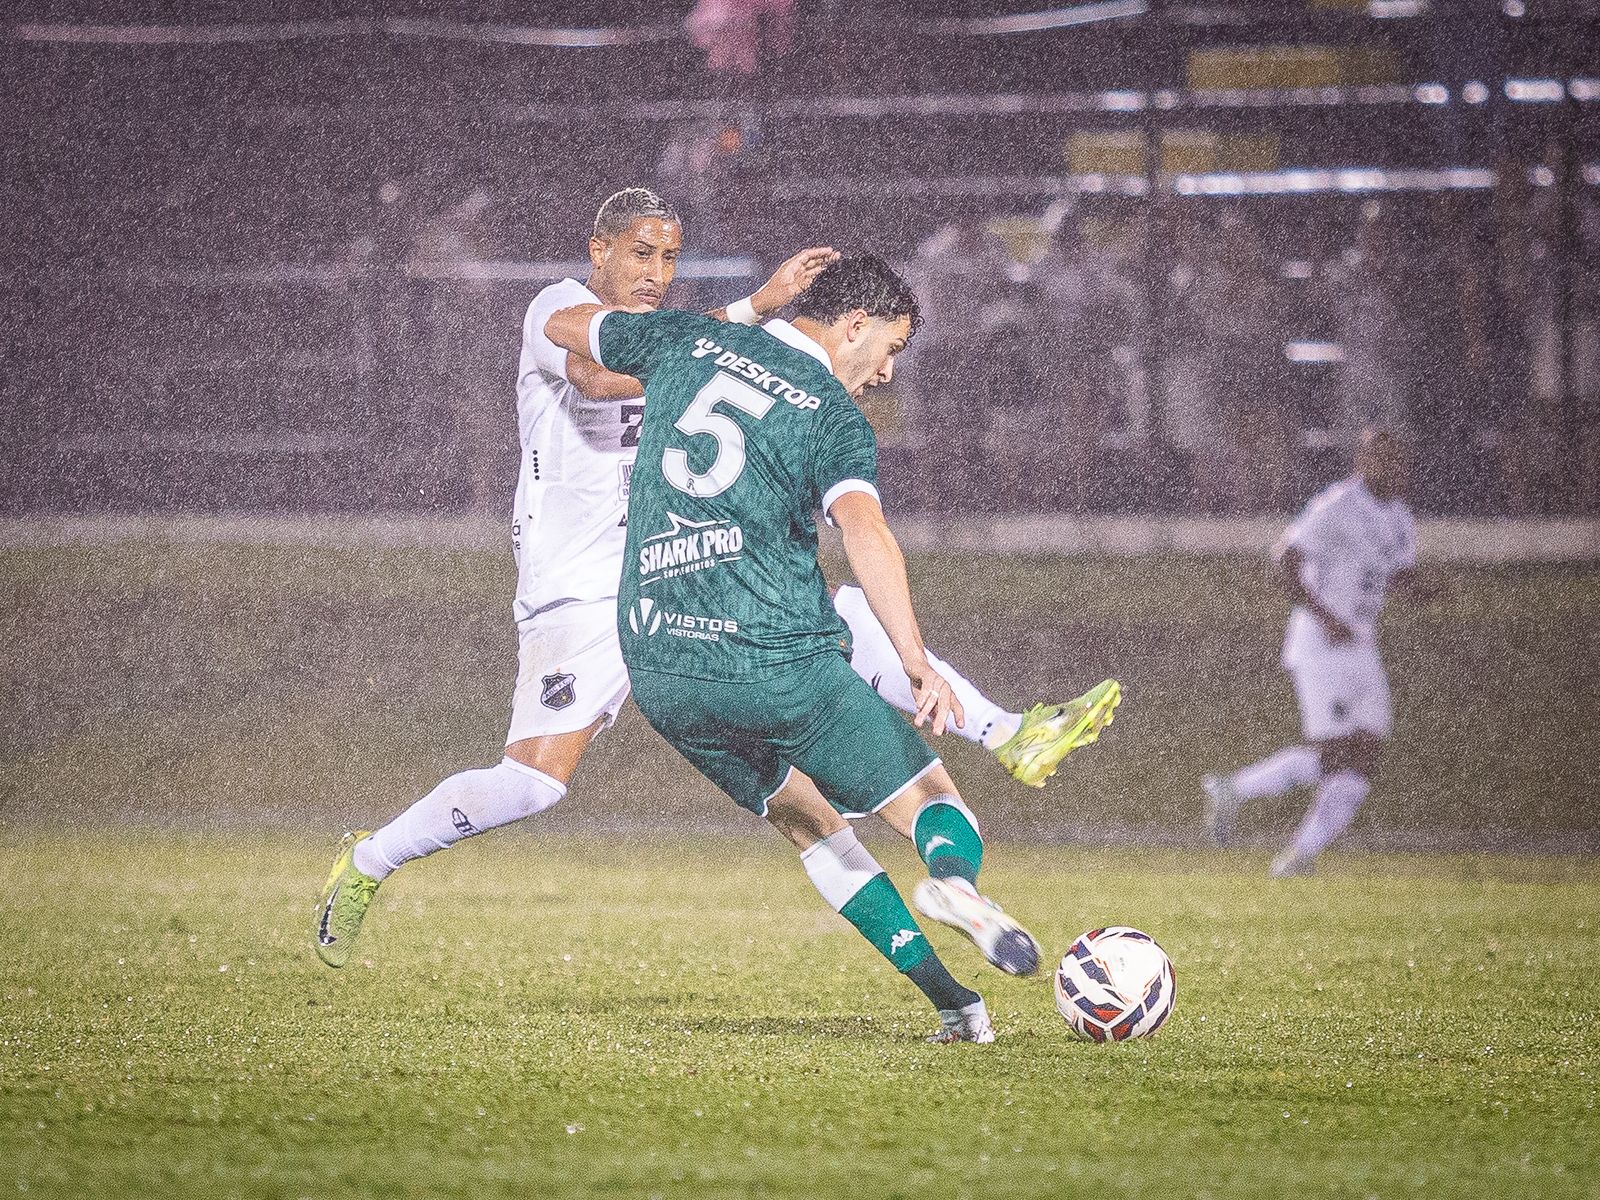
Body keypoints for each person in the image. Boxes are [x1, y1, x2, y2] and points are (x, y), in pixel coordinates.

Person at [314, 190, 1119, 970]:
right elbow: (599, 378)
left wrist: (745, 343)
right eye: (640, 254)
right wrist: (752, 314)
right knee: (532, 785)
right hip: (577, 590)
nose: (656, 273)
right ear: (598, 251)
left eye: (669, 258)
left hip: (672, 569)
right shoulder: (554, 307)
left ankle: (1006, 734)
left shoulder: (685, 338)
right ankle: (370, 860)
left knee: (827, 616)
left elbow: (697, 368)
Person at [542, 254, 1064, 1044]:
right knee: (934, 803)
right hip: (775, 664)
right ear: (853, 326)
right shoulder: (830, 416)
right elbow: (865, 530)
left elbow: (561, 327)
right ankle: (956, 885)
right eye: (890, 348)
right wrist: (915, 660)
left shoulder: (690, 339)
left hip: (662, 670)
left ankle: (957, 1007)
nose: (887, 373)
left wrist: (740, 311)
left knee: (811, 827)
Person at [1202, 429, 1426, 876]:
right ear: (1362, 462)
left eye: (1398, 460)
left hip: (1361, 644)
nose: (1392, 468)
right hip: (1321, 644)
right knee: (1336, 755)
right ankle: (1241, 796)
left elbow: (1394, 574)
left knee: (1365, 755)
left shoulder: (1399, 516)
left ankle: (1296, 850)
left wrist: (1424, 589)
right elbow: (1284, 560)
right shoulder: (1337, 506)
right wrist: (1326, 618)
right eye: (1382, 458)